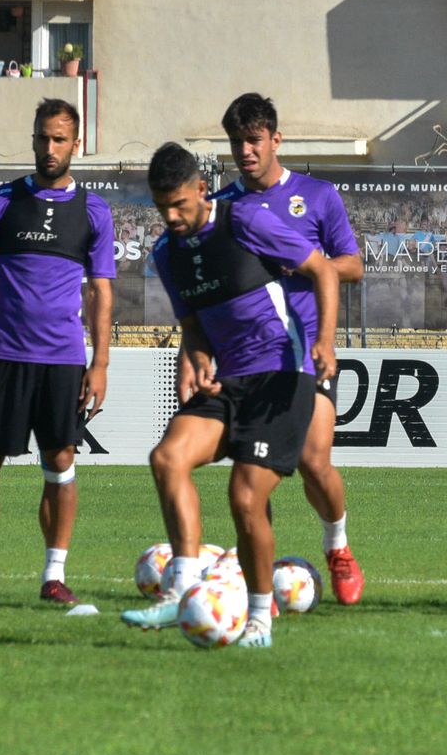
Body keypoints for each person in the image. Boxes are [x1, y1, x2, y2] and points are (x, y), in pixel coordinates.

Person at [122, 143, 339, 649]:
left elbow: (324, 270)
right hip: (229, 380)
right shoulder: (166, 253)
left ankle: (260, 620)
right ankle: (181, 589)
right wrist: (195, 357)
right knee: (168, 457)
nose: (171, 217)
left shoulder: (245, 220)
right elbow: (194, 325)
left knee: (245, 497)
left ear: (202, 190)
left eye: (179, 204)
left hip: (282, 376)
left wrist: (324, 340)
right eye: (161, 208)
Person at [0, 98, 114, 609]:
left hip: (63, 360)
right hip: (6, 357)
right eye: (42, 137)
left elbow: (101, 291)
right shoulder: (0, 201)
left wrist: (100, 362)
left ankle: (54, 575)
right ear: (33, 138)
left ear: (75, 144)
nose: (49, 147)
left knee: (60, 462)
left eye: (59, 139)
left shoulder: (93, 210)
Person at [203, 92, 366, 604]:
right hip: (249, 354)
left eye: (254, 140)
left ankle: (337, 547)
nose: (245, 151)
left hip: (308, 351)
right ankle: (261, 577)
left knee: (315, 462)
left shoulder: (317, 196)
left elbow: (353, 266)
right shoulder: (224, 208)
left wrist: (298, 262)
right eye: (236, 142)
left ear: (276, 139)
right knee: (251, 469)